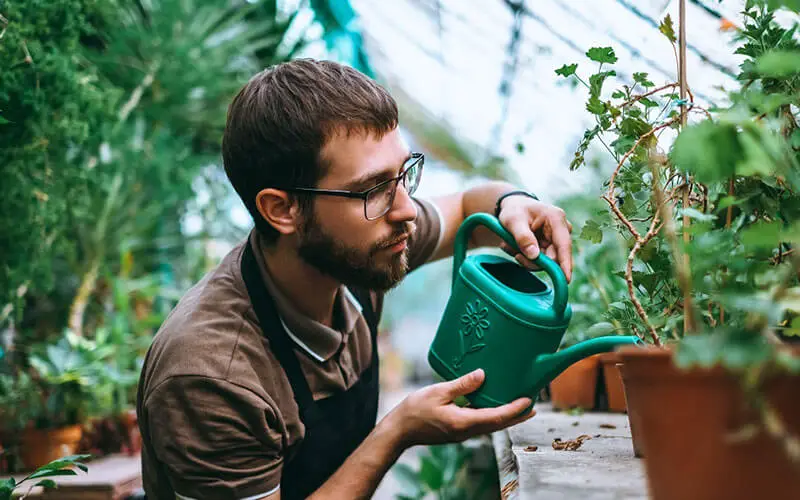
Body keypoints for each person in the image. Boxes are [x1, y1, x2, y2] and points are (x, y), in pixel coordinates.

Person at [136, 58, 573, 500]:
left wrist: (515, 204)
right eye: (373, 188)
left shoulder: (361, 246)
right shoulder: (213, 376)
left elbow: (466, 207)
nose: (405, 209)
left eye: (404, 174)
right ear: (282, 210)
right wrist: (398, 431)